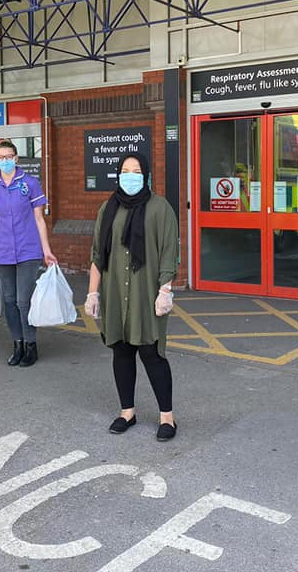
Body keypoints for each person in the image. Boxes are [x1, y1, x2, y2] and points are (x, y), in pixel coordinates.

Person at [84, 153, 179, 441]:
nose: (130, 175)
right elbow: (98, 254)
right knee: (121, 351)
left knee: (152, 353)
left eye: (136, 170)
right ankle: (128, 412)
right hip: (115, 292)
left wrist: (165, 290)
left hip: (146, 292)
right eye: (125, 170)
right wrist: (92, 292)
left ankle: (167, 418)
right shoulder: (108, 208)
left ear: (146, 175)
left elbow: (168, 254)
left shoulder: (160, 208)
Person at [0, 140, 56, 367]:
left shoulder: (30, 183)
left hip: (28, 250)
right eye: (0, 157)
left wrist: (47, 250)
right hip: (2, 252)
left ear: (16, 158)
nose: (5, 160)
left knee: (24, 301)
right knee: (9, 300)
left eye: (9, 156)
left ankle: (31, 345)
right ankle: (18, 344)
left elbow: (39, 219)